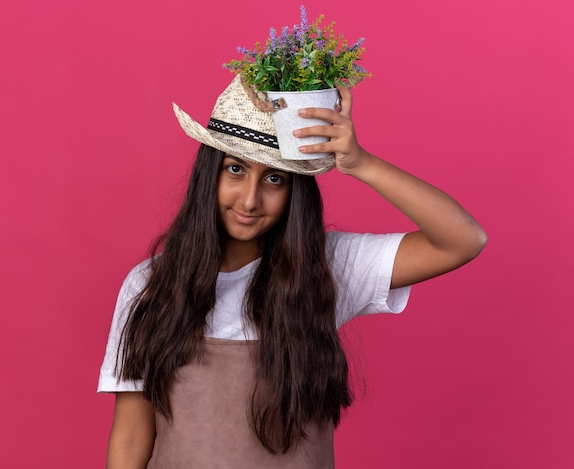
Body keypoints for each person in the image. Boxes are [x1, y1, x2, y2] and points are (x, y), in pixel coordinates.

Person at [98, 75, 487, 468]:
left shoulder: (327, 267)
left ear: (295, 190)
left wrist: (362, 164)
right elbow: (131, 438)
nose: (250, 199)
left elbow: (463, 240)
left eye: (274, 178)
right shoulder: (150, 284)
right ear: (208, 173)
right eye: (235, 169)